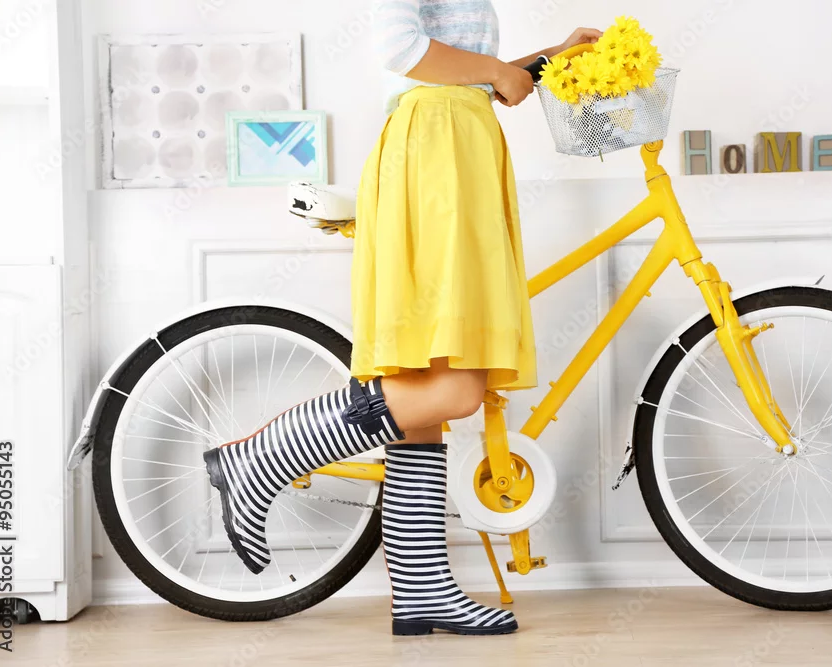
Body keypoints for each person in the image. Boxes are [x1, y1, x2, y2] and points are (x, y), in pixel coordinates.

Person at [203, 0, 600, 636]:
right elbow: (399, 47)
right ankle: (258, 459)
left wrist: (544, 60)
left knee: (428, 392)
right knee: (455, 389)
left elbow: (462, 70)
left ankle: (422, 593)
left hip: (452, 144)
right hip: (439, 154)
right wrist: (496, 71)